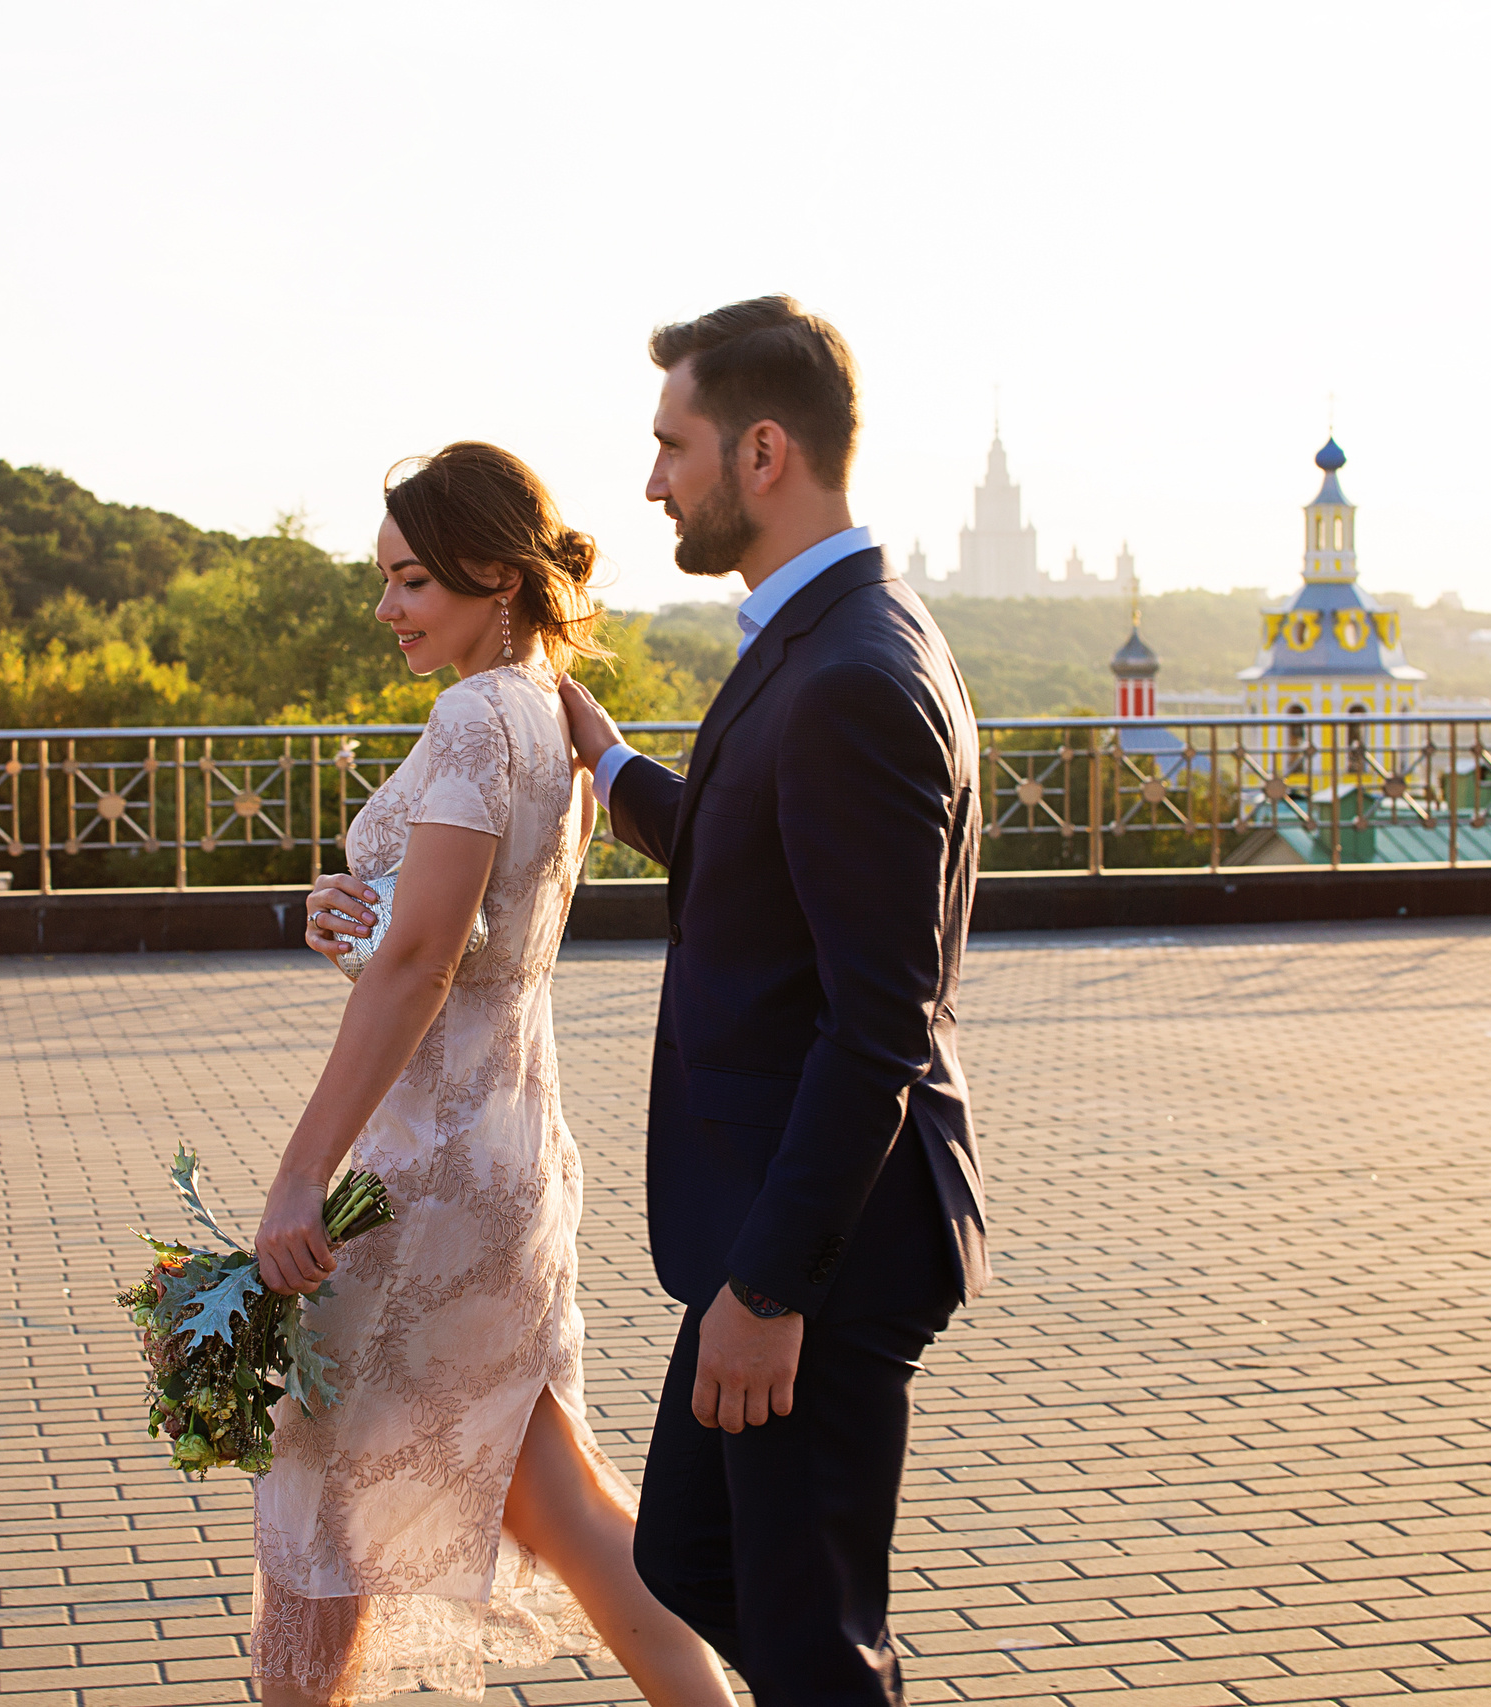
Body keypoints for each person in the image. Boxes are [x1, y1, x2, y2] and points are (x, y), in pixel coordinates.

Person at [558, 296, 990, 1706]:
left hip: (829, 1243)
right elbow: (756, 857)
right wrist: (614, 765)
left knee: (811, 1637)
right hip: (782, 1221)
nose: (651, 481)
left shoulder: (855, 673)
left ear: (759, 452)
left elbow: (881, 1023)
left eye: (670, 443)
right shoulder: (820, 637)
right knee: (693, 1552)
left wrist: (769, 1288)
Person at [256, 441, 734, 1707]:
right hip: (511, 1152)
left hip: (427, 1180)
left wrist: (301, 1172)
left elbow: (422, 967)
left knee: (319, 1517)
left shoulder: (475, 715)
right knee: (562, 1508)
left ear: (493, 573)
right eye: (385, 581)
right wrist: (345, 915)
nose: (387, 609)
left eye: (411, 580)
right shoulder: (551, 718)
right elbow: (455, 938)